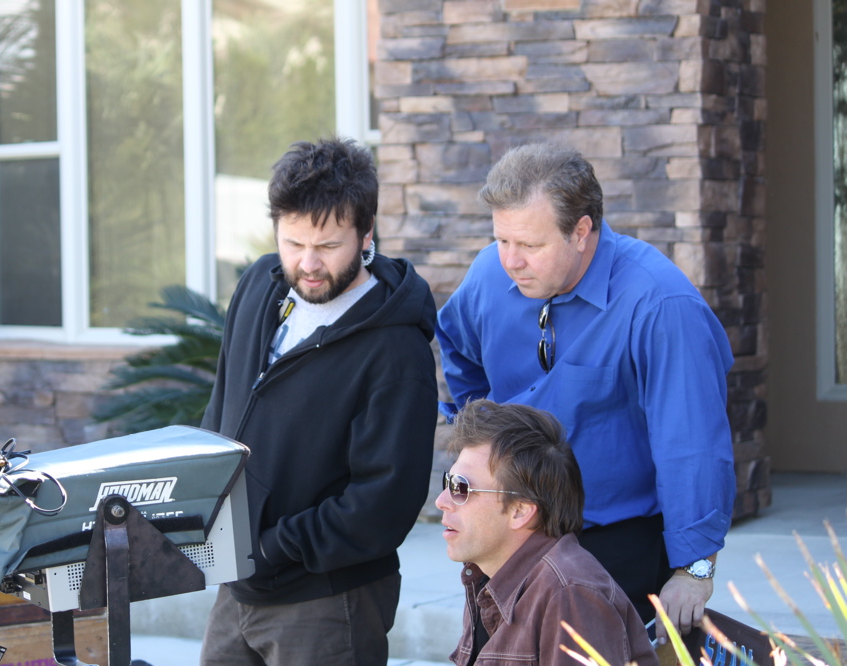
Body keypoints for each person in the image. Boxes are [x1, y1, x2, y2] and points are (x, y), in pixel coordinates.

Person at [436, 142, 735, 642]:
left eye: (529, 245)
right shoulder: (490, 274)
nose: (510, 261)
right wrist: (485, 445)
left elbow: (693, 444)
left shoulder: (661, 304)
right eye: (501, 240)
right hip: (512, 529)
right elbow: (459, 348)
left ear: (581, 232)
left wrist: (694, 568)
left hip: (617, 541)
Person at [198, 136, 439, 665]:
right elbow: (220, 410)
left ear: (365, 234)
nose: (307, 263)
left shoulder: (396, 350)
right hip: (236, 586)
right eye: (292, 243)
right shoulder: (258, 288)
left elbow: (384, 504)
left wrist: (271, 549)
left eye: (328, 246)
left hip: (329, 602)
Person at [436, 398, 659, 666]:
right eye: (448, 481)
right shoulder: (487, 574)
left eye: (461, 488)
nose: (441, 500)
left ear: (520, 510)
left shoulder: (571, 597)